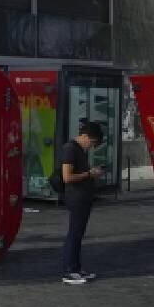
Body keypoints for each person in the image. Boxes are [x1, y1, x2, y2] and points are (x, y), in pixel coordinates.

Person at [61, 121, 104, 285]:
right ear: (85, 136)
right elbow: (67, 177)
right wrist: (89, 174)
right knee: (74, 234)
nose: (91, 147)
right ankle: (69, 271)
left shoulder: (78, 150)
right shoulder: (70, 149)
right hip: (76, 197)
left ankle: (76, 269)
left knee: (78, 235)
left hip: (83, 197)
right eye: (92, 143)